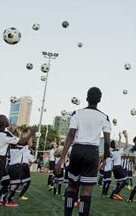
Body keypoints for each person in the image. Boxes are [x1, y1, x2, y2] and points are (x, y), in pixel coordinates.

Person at [55, 87, 111, 216]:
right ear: (100, 100)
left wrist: (62, 158)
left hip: (77, 150)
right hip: (92, 152)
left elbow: (70, 135)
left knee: (71, 187)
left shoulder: (77, 113)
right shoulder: (105, 117)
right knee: (86, 192)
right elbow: (107, 142)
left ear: (87, 98)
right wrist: (104, 159)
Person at [109, 132, 129, 200]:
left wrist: (120, 137)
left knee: (118, 182)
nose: (117, 143)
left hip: (114, 168)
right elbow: (126, 146)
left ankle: (112, 195)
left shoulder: (113, 151)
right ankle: (116, 193)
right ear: (115, 145)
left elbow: (119, 146)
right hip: (118, 167)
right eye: (116, 143)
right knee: (125, 180)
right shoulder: (118, 151)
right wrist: (126, 137)